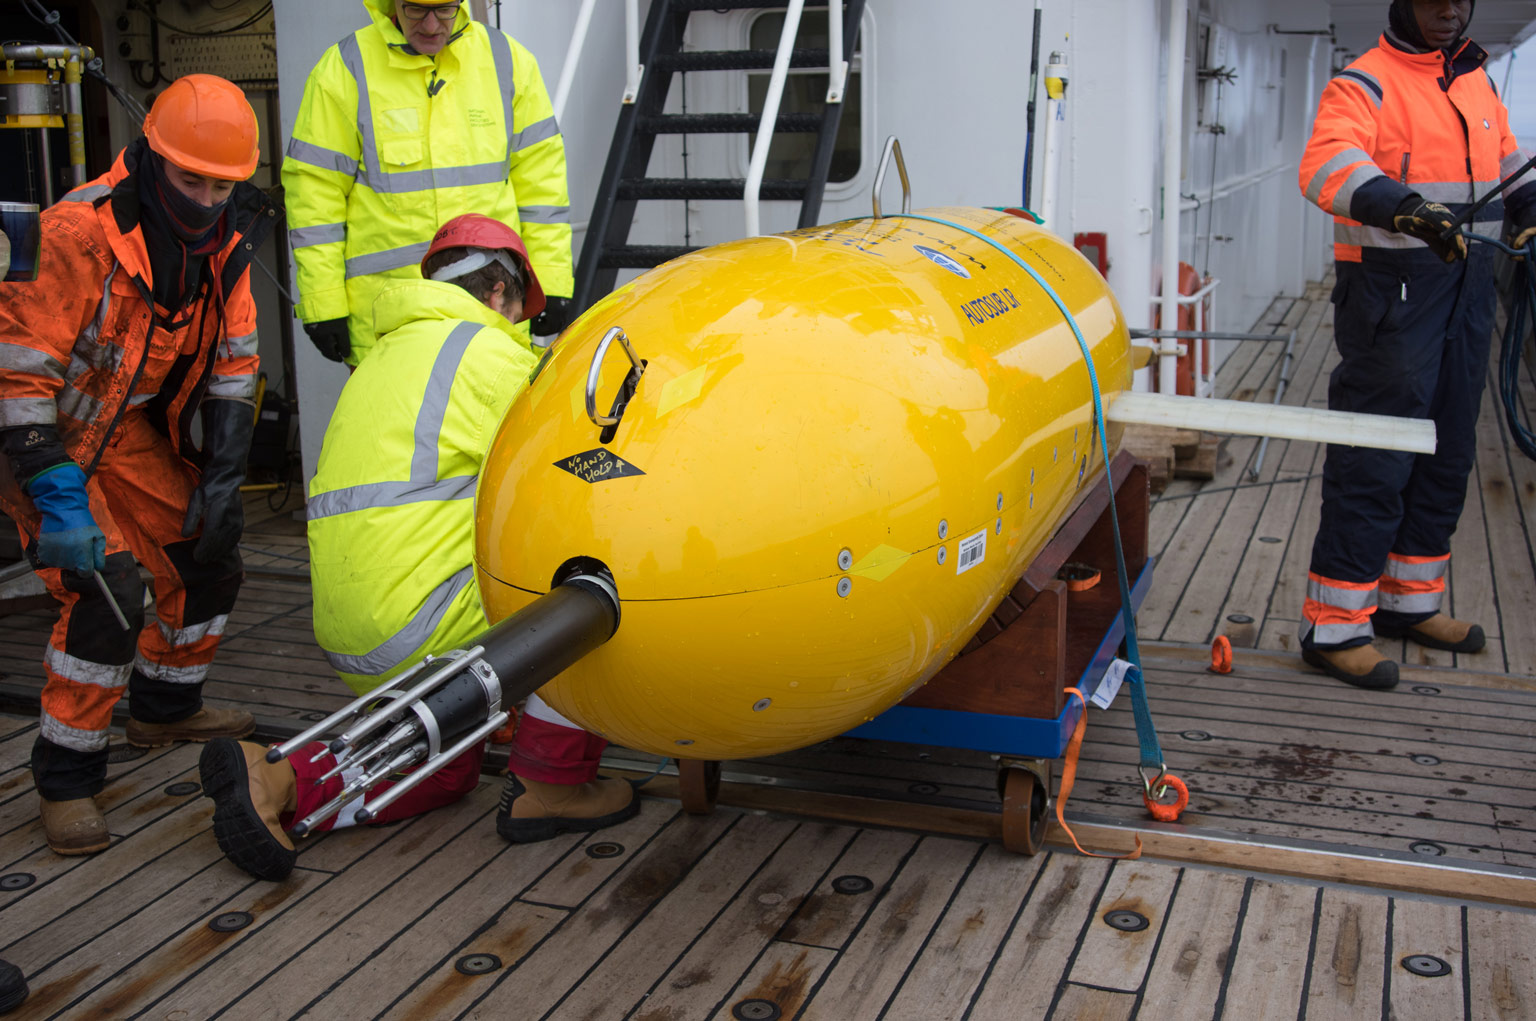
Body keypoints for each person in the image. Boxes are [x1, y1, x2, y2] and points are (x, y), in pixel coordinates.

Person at [199, 215, 636, 881]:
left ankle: (280, 780)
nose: (521, 327)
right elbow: (584, 471)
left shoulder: (378, 359)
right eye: (521, 312)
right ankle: (553, 783)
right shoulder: (491, 358)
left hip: (349, 631)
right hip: (424, 624)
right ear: (498, 294)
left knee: (446, 767)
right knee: (591, 589)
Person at [0, 74, 272, 854]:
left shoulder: (223, 246)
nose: (210, 199)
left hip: (122, 436)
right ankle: (65, 777)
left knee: (208, 555)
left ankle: (165, 705)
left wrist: (221, 482)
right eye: (193, 180)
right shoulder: (69, 235)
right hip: (42, 443)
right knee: (106, 594)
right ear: (153, 158)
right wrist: (56, 499)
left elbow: (233, 363)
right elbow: (18, 382)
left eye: (226, 185)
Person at [1295, 0, 1536, 688]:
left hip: (1470, 292)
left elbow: (1508, 160)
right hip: (1394, 296)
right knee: (1377, 454)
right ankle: (1334, 626)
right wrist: (1405, 207)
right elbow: (1325, 165)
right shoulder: (1364, 82)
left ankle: (1408, 601)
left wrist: (1530, 209)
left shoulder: (1476, 81)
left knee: (1449, 446)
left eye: (1460, 0)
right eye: (1434, 0)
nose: (1449, 12)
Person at [282, 0, 575, 367]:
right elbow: (314, 195)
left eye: (446, 9)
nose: (432, 25)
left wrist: (552, 282)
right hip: (392, 325)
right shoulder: (346, 69)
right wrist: (322, 302)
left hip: (492, 318)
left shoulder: (508, 62)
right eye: (417, 9)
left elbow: (542, 187)